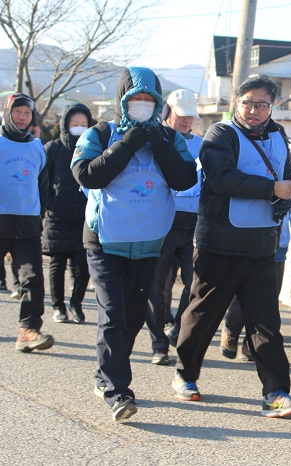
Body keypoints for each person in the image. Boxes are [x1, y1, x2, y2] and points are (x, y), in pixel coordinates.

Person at [173, 75, 291, 418]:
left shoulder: (278, 134)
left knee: (266, 324)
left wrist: (286, 194)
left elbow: (287, 172)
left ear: (272, 107)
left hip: (262, 244)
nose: (254, 110)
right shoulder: (221, 134)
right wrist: (271, 190)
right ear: (236, 103)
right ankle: (185, 375)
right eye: (248, 102)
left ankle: (276, 393)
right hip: (220, 242)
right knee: (203, 314)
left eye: (262, 104)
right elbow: (221, 178)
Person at [71, 67, 197, 421]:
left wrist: (156, 140)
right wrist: (128, 143)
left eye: (149, 100)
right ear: (123, 101)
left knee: (135, 315)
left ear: (158, 103)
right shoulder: (101, 133)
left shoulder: (170, 138)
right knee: (113, 314)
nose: (142, 105)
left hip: (148, 240)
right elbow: (87, 174)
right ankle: (118, 390)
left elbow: (185, 178)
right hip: (104, 240)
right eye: (135, 99)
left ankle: (104, 375)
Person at [145, 89, 203, 366]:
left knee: (195, 283)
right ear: (166, 113)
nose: (187, 120)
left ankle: (177, 329)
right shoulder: (156, 140)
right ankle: (158, 343)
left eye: (191, 116)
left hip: (194, 223)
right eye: (182, 114)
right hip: (161, 220)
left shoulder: (203, 144)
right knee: (156, 286)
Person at [220, 179, 291, 361]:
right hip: (250, 241)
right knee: (243, 293)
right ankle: (231, 328)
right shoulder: (256, 167)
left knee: (267, 301)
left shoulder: (290, 174)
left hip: (278, 247)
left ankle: (251, 344)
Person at [0, 93, 53, 352]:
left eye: (27, 113)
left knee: (32, 278)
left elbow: (43, 186)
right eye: (18, 112)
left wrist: (40, 213)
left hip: (28, 223)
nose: (22, 117)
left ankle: (28, 330)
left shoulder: (36, 148)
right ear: (8, 114)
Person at [42, 103, 95, 324]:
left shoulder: (92, 148)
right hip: (57, 216)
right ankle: (58, 306)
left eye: (83, 124)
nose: (79, 127)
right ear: (66, 124)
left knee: (83, 265)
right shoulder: (53, 149)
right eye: (75, 123)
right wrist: (49, 203)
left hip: (84, 217)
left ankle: (76, 303)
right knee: (57, 264)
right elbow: (44, 180)